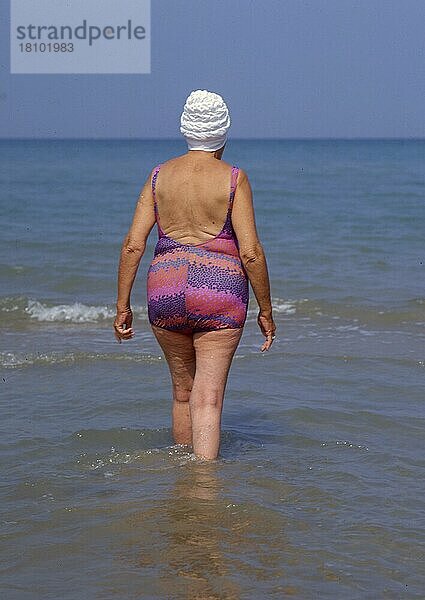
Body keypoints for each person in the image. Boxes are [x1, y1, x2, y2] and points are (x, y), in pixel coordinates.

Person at [114, 89, 276, 461]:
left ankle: (181, 477)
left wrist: (122, 305)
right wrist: (265, 310)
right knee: (208, 398)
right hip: (219, 293)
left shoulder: (159, 176)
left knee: (182, 392)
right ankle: (205, 490)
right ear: (224, 132)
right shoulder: (234, 178)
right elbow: (250, 252)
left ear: (185, 129)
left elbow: (132, 246)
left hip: (165, 291)